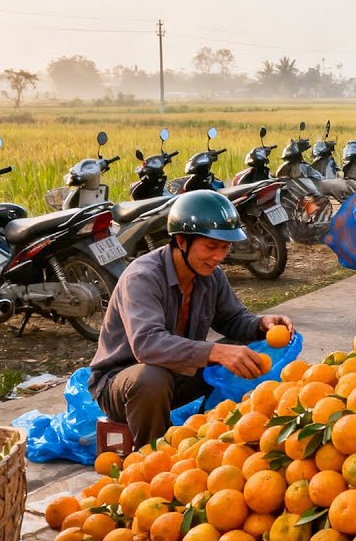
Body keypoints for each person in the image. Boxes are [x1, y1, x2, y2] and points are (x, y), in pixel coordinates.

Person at [88, 191, 295, 446]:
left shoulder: (211, 275)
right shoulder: (142, 277)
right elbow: (147, 345)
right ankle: (153, 458)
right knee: (152, 377)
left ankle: (217, 438)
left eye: (225, 247)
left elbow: (232, 320)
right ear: (182, 241)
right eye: (211, 247)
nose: (219, 257)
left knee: (242, 354)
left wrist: (260, 324)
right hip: (124, 384)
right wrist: (216, 352)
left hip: (175, 375)